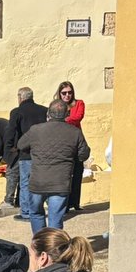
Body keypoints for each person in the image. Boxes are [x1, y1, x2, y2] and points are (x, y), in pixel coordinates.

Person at [18, 99, 90, 233]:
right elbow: (84, 154)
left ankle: (40, 247)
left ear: (48, 114)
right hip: (60, 181)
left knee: (36, 213)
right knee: (55, 218)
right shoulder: (75, 132)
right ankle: (54, 250)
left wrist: (34, 151)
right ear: (67, 114)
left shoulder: (35, 130)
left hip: (38, 181)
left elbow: (21, 145)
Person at [4, 88, 48, 222]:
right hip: (42, 152)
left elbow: (10, 132)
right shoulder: (44, 110)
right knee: (40, 182)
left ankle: (27, 212)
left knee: (25, 183)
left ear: (20, 97)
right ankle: (38, 209)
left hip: (25, 152)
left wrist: (9, 149)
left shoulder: (17, 112)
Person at [57, 81, 86, 211]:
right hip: (63, 143)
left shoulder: (79, 103)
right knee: (65, 174)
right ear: (60, 94)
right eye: (64, 93)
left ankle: (75, 202)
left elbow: (77, 117)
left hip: (76, 141)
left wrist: (63, 120)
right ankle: (66, 204)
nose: (67, 95)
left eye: (70, 92)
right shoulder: (56, 105)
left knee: (77, 172)